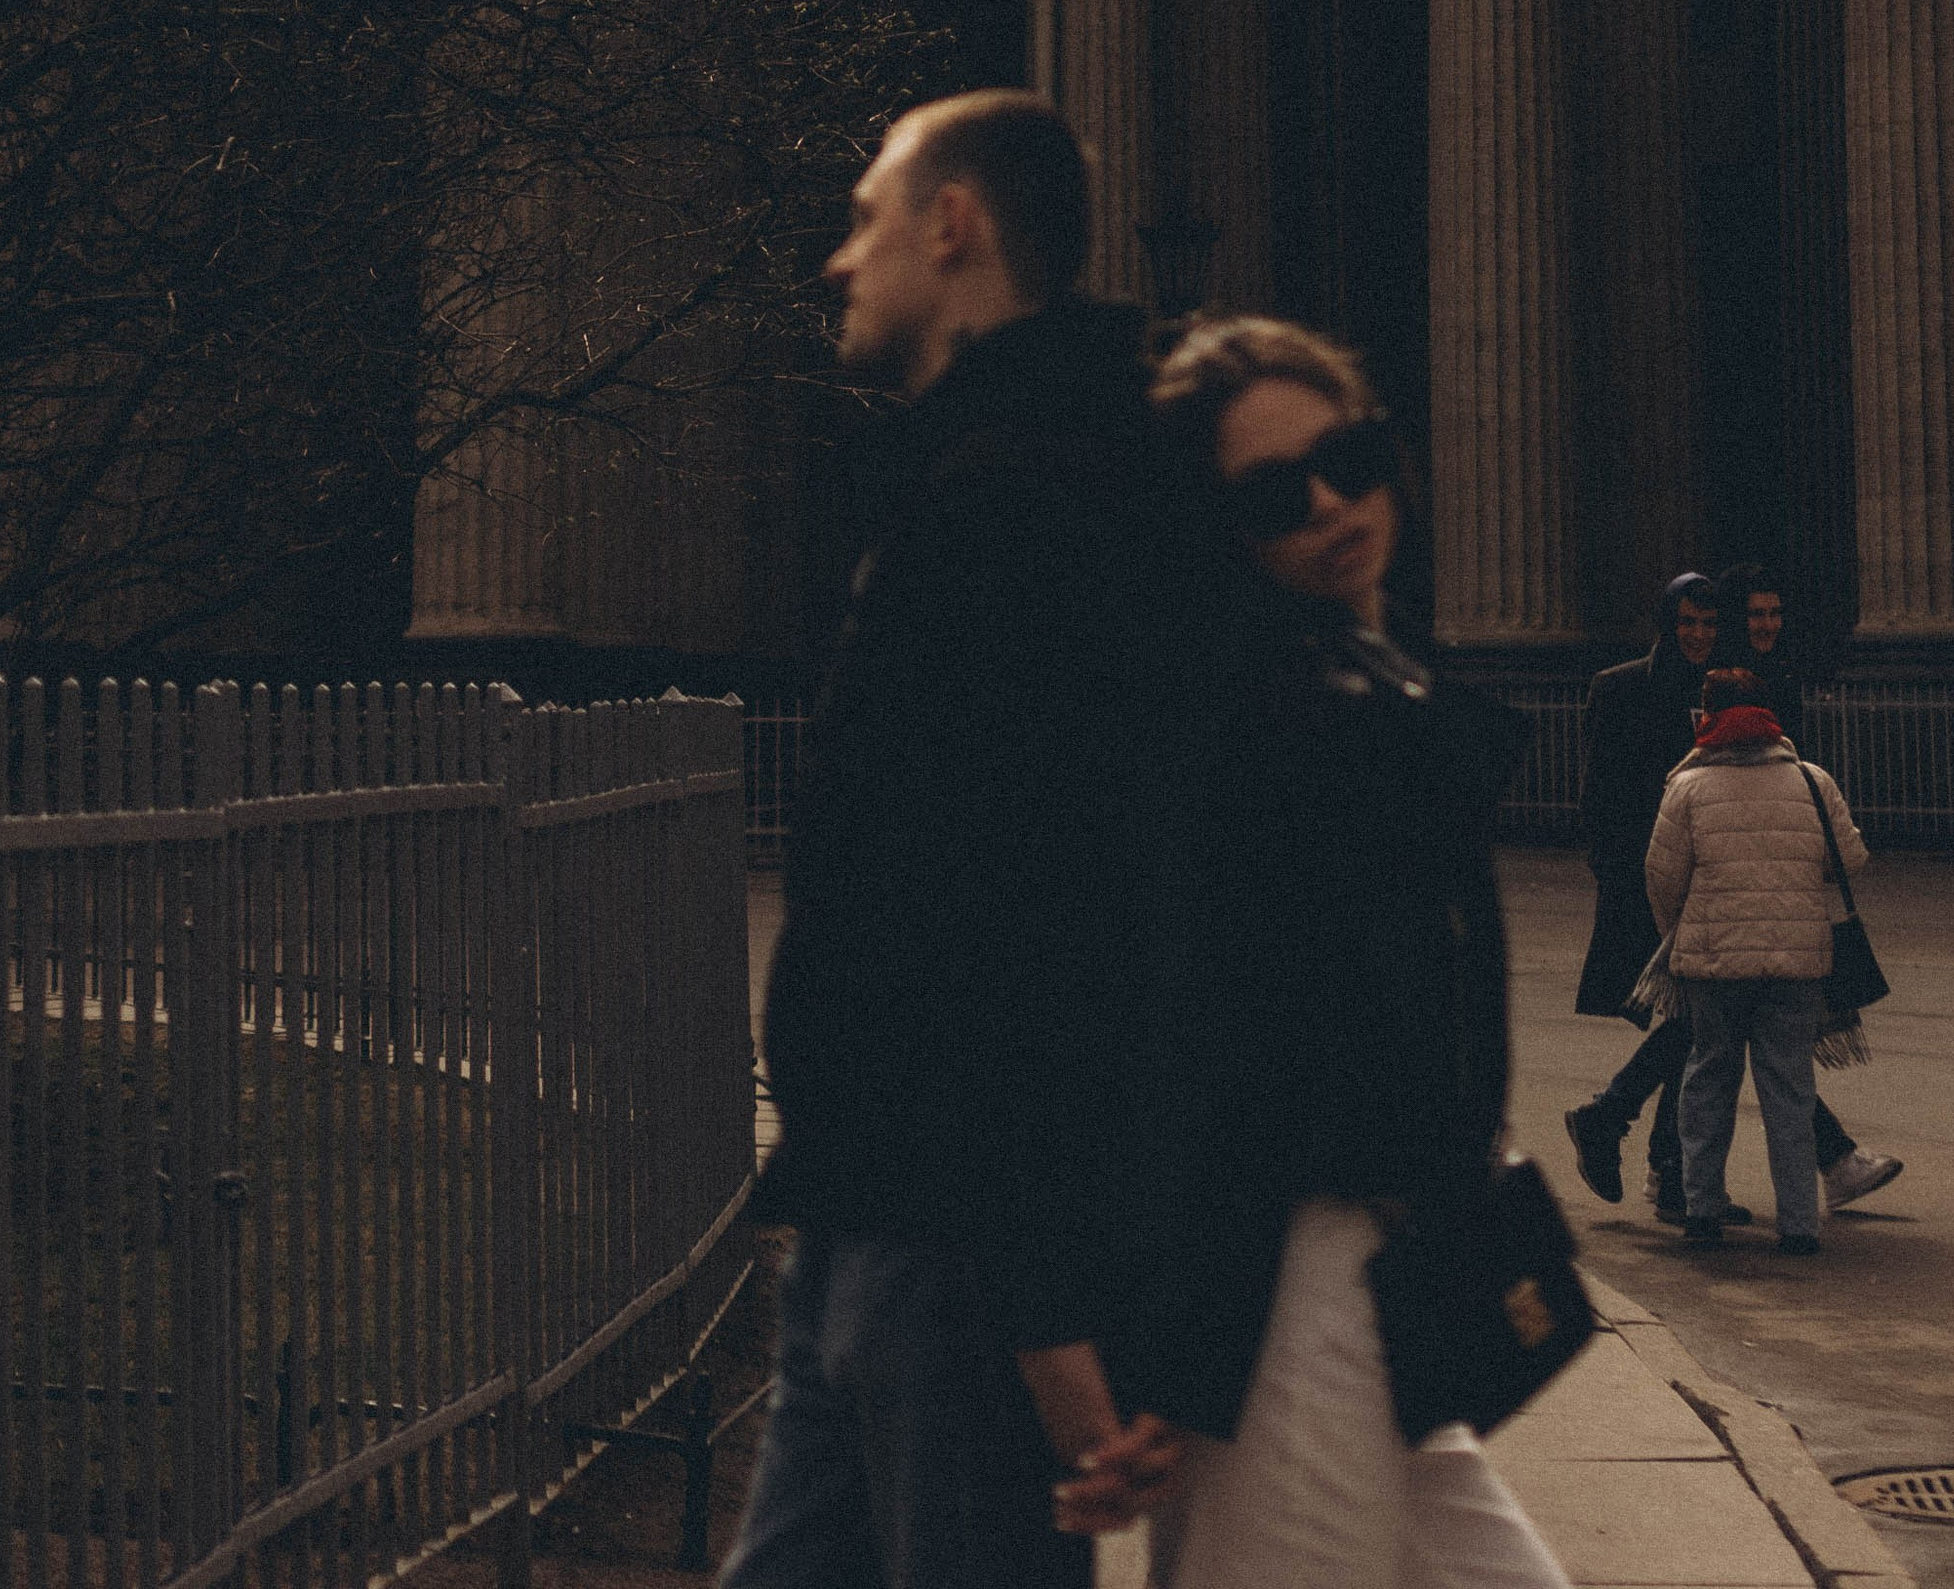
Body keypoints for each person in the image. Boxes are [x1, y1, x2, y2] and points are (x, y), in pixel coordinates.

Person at [723, 91, 1189, 1589]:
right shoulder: (967, 482)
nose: (837, 260)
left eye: (866, 216)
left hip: (962, 1265)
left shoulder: (1026, 510)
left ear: (955, 224)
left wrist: (1048, 1315)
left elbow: (1028, 939)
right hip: (866, 1220)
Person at [1109, 317, 1574, 1589]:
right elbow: (1221, 1057)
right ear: (1225, 527)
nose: (1329, 499)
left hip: (1384, 1267)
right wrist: (1186, 1362)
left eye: (1350, 452)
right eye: (1272, 489)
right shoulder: (1262, 721)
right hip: (1289, 1284)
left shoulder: (1376, 680)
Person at [1643, 659, 1871, 1256]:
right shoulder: (1811, 781)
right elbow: (1849, 861)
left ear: (1709, 717)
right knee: (1789, 1088)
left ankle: (1702, 1210)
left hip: (1713, 962)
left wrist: (1684, 934)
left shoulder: (1687, 787)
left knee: (1708, 1080)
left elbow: (1662, 880)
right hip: (1796, 962)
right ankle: (1799, 1224)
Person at [1719, 566, 1903, 1217]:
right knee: (1757, 1040)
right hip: (1749, 888)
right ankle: (1826, 1170)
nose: (1767, 624)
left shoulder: (1778, 679)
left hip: (1765, 883)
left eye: (1774, 612)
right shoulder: (1731, 691)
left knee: (1725, 1040)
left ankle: (1651, 1154)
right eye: (1755, 615)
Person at [1563, 574, 1720, 1223]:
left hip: (1710, 882)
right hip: (1644, 882)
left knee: (1698, 1021)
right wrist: (1613, 874)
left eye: (1708, 624)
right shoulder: (1622, 687)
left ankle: (1625, 1133)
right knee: (1698, 1020)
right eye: (1687, 622)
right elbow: (1599, 794)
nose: (1698, 635)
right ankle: (1646, 1150)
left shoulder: (1724, 688)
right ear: (1667, 622)